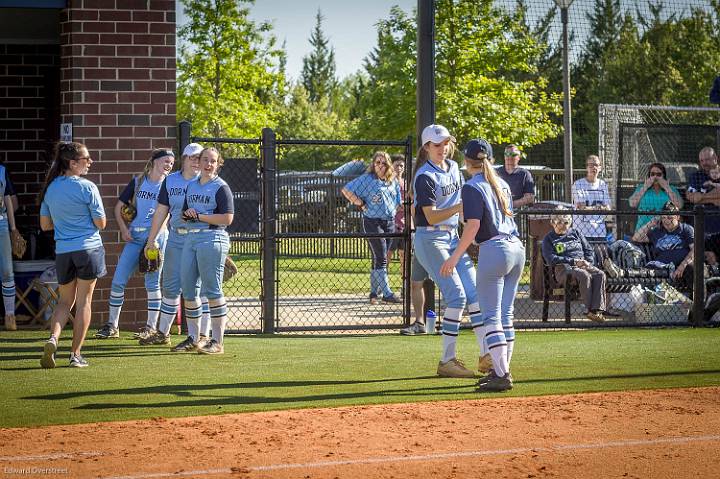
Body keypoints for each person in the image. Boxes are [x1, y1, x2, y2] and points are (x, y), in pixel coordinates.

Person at [441, 139, 524, 392]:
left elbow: (473, 226)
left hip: (495, 249)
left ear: (467, 162)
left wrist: (454, 256)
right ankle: (502, 371)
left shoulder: (472, 186)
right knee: (506, 316)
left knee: (491, 317)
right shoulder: (502, 183)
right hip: (517, 248)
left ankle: (502, 374)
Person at [413, 124, 489, 378]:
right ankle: (447, 361)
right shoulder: (424, 176)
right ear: (426, 147)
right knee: (456, 296)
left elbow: (463, 210)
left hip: (452, 237)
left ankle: (486, 354)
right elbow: (431, 217)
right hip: (430, 239)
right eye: (437, 144)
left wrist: (471, 231)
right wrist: (459, 208)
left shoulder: (454, 167)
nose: (443, 148)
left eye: (446, 143)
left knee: (475, 293)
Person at [39, 142, 106, 368]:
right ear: (73, 163)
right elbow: (101, 223)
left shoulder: (51, 188)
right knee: (84, 302)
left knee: (64, 302)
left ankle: (53, 339)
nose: (90, 162)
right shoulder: (88, 187)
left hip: (63, 252)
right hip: (89, 249)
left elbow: (45, 225)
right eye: (86, 159)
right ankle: (75, 355)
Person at [95, 149, 175, 339]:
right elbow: (118, 207)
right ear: (154, 161)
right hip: (135, 237)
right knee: (118, 280)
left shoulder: (169, 184)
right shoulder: (138, 181)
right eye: (165, 161)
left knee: (152, 283)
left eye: (171, 163)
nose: (169, 165)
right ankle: (112, 326)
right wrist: (123, 229)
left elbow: (167, 214)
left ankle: (150, 328)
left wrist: (153, 238)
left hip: (156, 239)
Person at [141, 143, 213, 349]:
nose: (196, 161)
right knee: (170, 287)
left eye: (199, 157)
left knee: (199, 290)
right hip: (175, 238)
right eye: (192, 157)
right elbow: (161, 211)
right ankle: (163, 333)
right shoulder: (171, 180)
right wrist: (151, 239)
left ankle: (202, 335)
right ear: (184, 158)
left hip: (200, 239)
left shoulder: (209, 182)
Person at [180, 147, 234, 354]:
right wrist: (189, 214)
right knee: (189, 289)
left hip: (213, 238)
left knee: (212, 290)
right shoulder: (191, 185)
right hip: (191, 238)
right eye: (205, 160)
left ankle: (217, 342)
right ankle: (194, 338)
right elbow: (185, 214)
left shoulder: (221, 187)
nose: (208, 164)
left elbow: (227, 219)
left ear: (218, 163)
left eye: (212, 161)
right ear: (198, 162)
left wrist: (199, 216)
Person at [342, 151, 402, 304]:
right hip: (372, 222)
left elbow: (397, 199)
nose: (380, 166)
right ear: (373, 164)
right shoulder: (367, 179)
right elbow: (346, 190)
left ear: (388, 164)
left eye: (383, 163)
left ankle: (374, 293)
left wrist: (396, 208)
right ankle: (387, 294)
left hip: (389, 222)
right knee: (381, 257)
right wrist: (360, 203)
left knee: (378, 257)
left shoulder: (392, 180)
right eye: (377, 163)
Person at [542, 207, 607, 322]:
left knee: (600, 274)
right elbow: (550, 259)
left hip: (582, 265)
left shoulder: (575, 233)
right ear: (552, 223)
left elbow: (588, 250)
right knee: (584, 275)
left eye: (566, 222)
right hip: (564, 269)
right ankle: (589, 310)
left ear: (570, 222)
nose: (563, 225)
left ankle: (596, 311)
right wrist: (573, 262)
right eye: (559, 222)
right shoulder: (549, 238)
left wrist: (588, 263)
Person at [632, 202, 695, 294]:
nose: (666, 221)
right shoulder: (657, 231)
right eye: (663, 218)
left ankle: (693, 303)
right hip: (661, 268)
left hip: (681, 268)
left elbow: (695, 250)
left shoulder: (686, 229)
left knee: (692, 268)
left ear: (677, 217)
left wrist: (682, 266)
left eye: (670, 218)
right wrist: (650, 223)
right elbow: (636, 238)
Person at [628, 162, 683, 232]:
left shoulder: (670, 188)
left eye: (659, 174)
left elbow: (679, 205)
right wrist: (645, 186)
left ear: (663, 176)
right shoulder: (641, 187)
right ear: (649, 176)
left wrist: (666, 187)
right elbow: (632, 204)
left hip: (664, 231)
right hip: (643, 230)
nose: (655, 177)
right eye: (652, 174)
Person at [572, 155, 611, 242]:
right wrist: (600, 207)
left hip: (599, 231)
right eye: (591, 165)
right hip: (582, 232)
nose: (594, 167)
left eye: (596, 165)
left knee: (602, 255)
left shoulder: (603, 185)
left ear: (600, 168)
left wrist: (590, 208)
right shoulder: (578, 184)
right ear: (587, 168)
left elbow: (608, 208)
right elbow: (581, 207)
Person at [1, 162, 18, 331]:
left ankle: (10, 315)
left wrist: (13, 229)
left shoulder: (1, 170)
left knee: (6, 270)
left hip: (1, 223)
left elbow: (8, 199)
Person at [686, 147, 720, 234]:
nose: (704, 163)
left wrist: (702, 197)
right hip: (702, 226)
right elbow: (691, 197)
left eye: (707, 159)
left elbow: (697, 198)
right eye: (702, 161)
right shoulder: (696, 176)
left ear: (715, 158)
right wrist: (714, 198)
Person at [495, 144, 535, 208]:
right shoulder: (495, 173)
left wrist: (510, 206)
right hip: (497, 211)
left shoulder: (525, 174)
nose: (509, 157)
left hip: (518, 213)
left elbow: (530, 198)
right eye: (506, 154)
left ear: (519, 157)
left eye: (513, 154)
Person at [387, 154, 406, 269]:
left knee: (405, 256)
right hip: (391, 224)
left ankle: (404, 284)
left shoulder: (406, 182)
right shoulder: (388, 183)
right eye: (396, 165)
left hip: (405, 224)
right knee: (387, 255)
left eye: (401, 165)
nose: (399, 168)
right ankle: (382, 284)